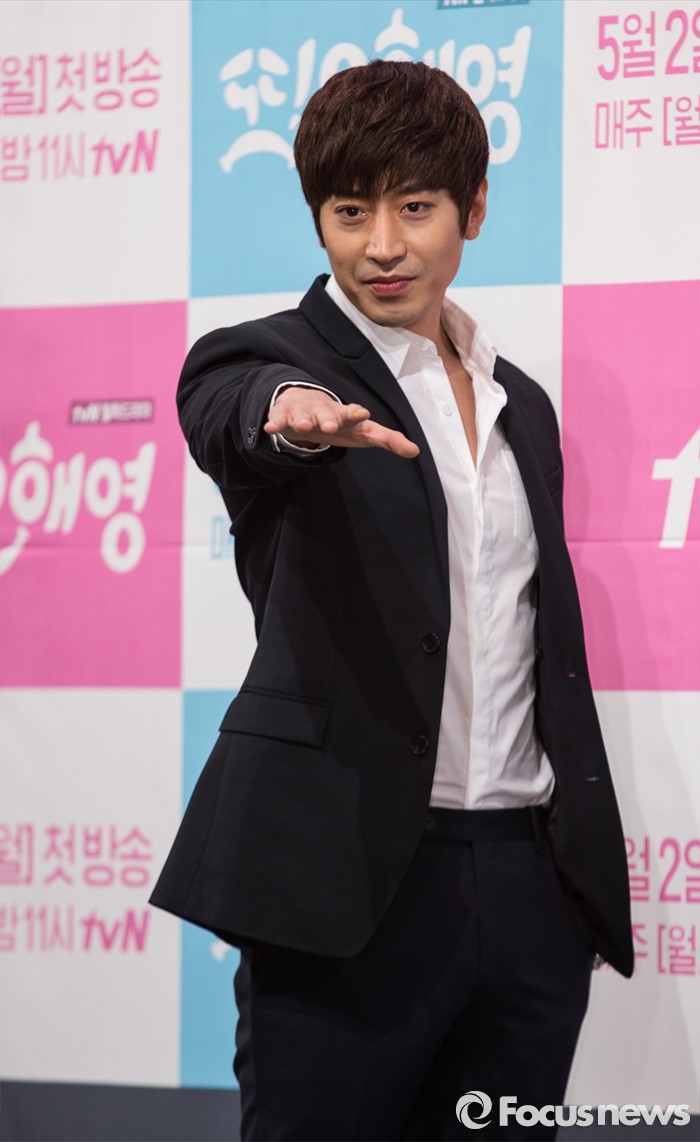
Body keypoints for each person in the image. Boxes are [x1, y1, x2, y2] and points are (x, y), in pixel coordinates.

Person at [150, 60, 633, 1141]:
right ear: (317, 218)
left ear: (474, 209)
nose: (380, 245)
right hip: (346, 882)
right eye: (349, 211)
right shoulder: (265, 359)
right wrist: (289, 414)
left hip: (526, 883)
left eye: (414, 208)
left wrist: (561, 895)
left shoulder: (521, 403)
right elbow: (234, 410)